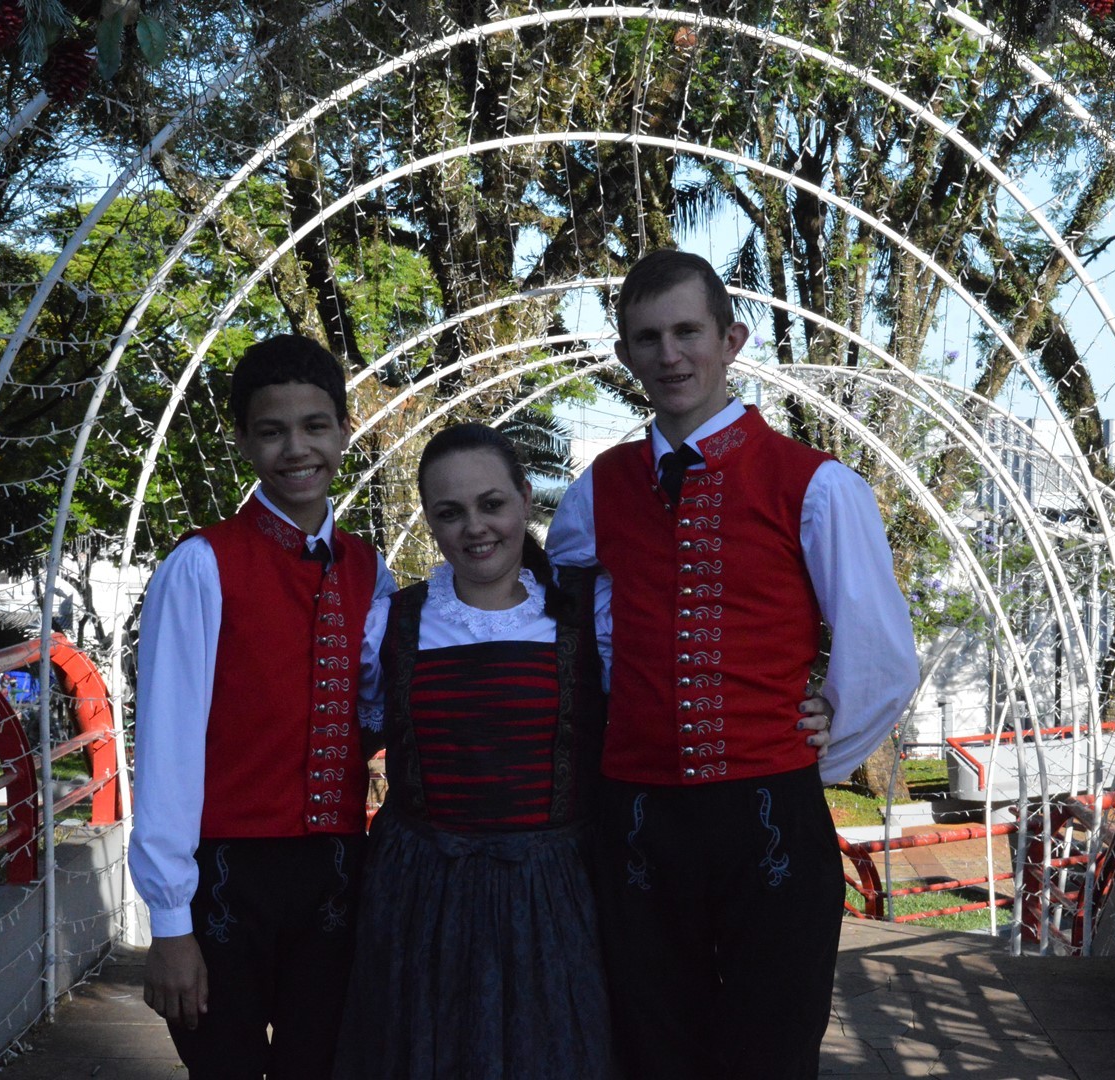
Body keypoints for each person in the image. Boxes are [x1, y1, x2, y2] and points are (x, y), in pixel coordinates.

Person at [342, 422, 834, 1079]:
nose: (475, 528)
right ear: (429, 521)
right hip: (424, 901)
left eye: (492, 504)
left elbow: (674, 687)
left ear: (524, 498)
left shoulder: (586, 620)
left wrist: (815, 710)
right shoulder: (394, 622)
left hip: (555, 897)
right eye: (449, 513)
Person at [547, 249, 921, 1079]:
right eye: (647, 338)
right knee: (653, 1046)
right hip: (639, 810)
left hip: (769, 812)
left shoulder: (813, 483)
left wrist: (824, 740)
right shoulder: (598, 489)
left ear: (732, 340)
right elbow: (572, 622)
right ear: (625, 356)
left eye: (687, 332)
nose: (669, 355)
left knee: (771, 1047)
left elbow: (883, 654)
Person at [128, 334, 395, 1079]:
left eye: (315, 426)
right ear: (243, 438)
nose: (296, 449)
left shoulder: (371, 571)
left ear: (345, 430)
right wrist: (171, 926)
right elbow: (169, 752)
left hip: (336, 876)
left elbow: (373, 711)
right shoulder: (201, 566)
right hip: (225, 880)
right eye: (272, 431)